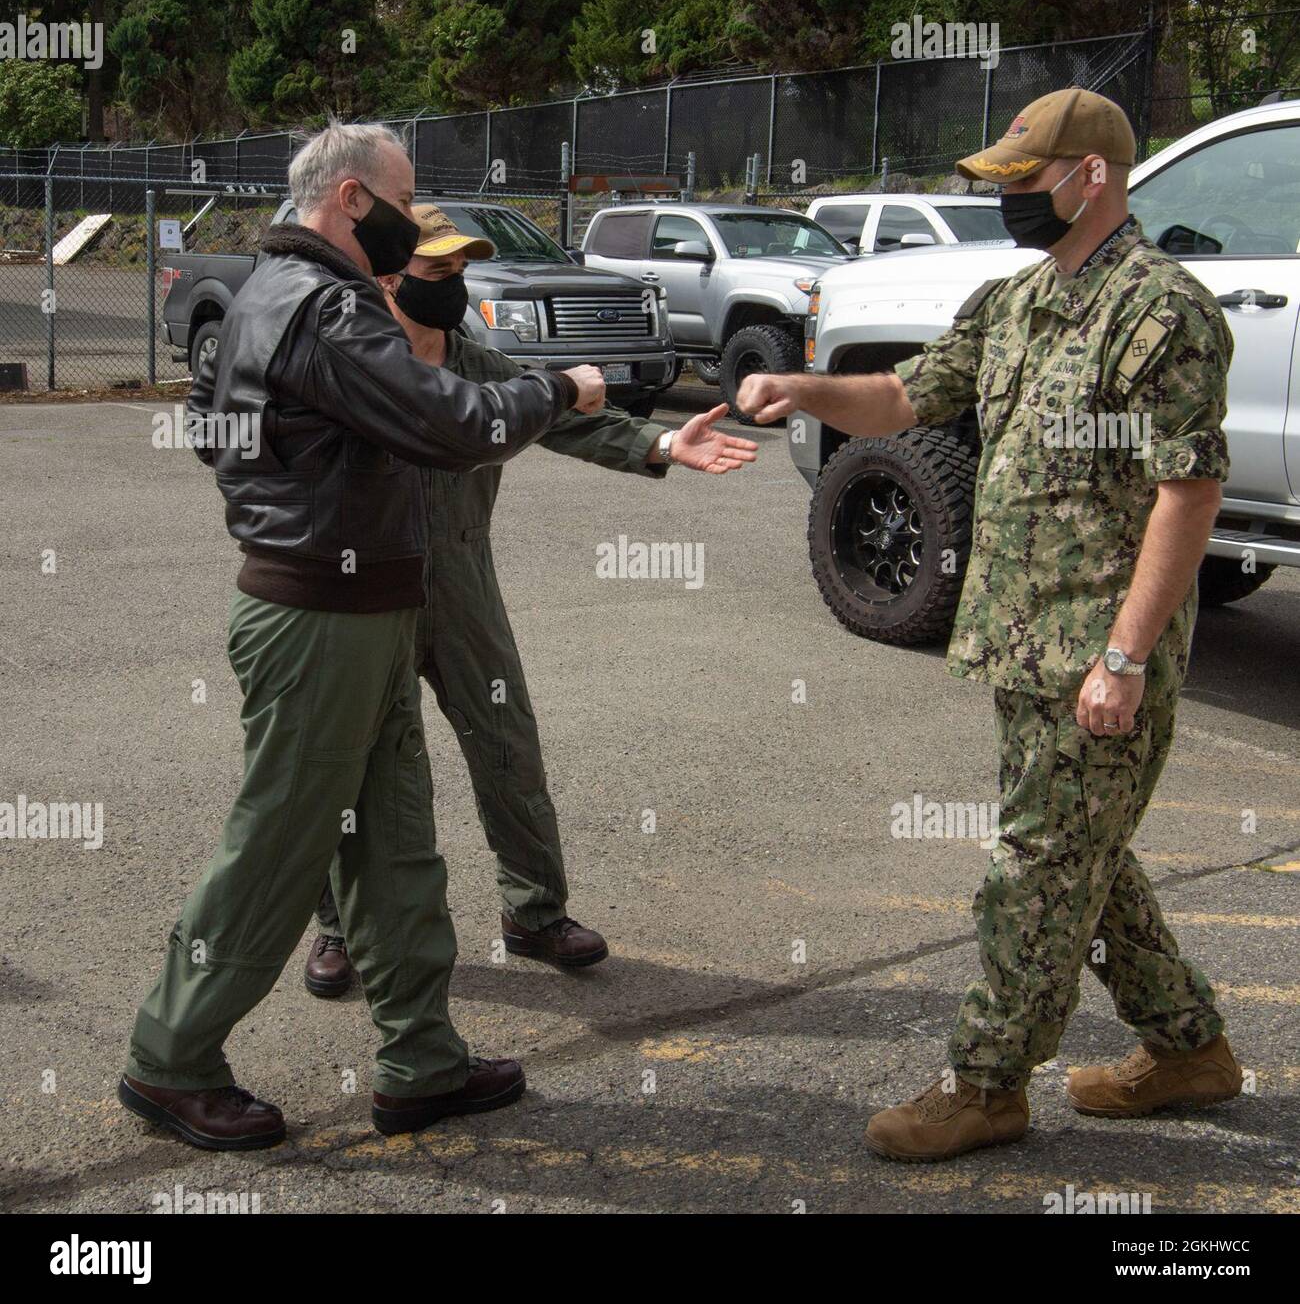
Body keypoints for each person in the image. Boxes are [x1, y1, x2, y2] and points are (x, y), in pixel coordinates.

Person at [738, 88, 1244, 1162]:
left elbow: (1186, 493)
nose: (1010, 198)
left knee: (1034, 867)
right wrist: (802, 386)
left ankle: (985, 1083)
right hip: (1021, 646)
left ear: (1090, 176)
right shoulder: (1013, 302)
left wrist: (1124, 656)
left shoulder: (1162, 313)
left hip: (1097, 657)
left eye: (1025, 179)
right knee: (1080, 857)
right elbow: (908, 396)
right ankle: (1189, 1049)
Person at [121, 122, 605, 1150]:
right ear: (350, 200)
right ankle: (170, 1058)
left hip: (359, 605)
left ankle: (420, 1060)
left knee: (391, 842)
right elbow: (451, 421)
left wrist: (281, 486)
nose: (409, 219)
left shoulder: (264, 291)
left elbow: (214, 427)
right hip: (319, 621)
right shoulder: (326, 306)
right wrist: (560, 388)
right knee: (280, 843)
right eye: (402, 198)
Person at [304, 205, 759, 994]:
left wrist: (660, 442)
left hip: (461, 581)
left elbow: (563, 418)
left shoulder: (477, 364)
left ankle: (535, 913)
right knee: (348, 764)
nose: (456, 284)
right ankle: (338, 928)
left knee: (506, 740)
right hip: (362, 587)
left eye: (460, 270)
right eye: (437, 271)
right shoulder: (350, 361)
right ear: (389, 276)